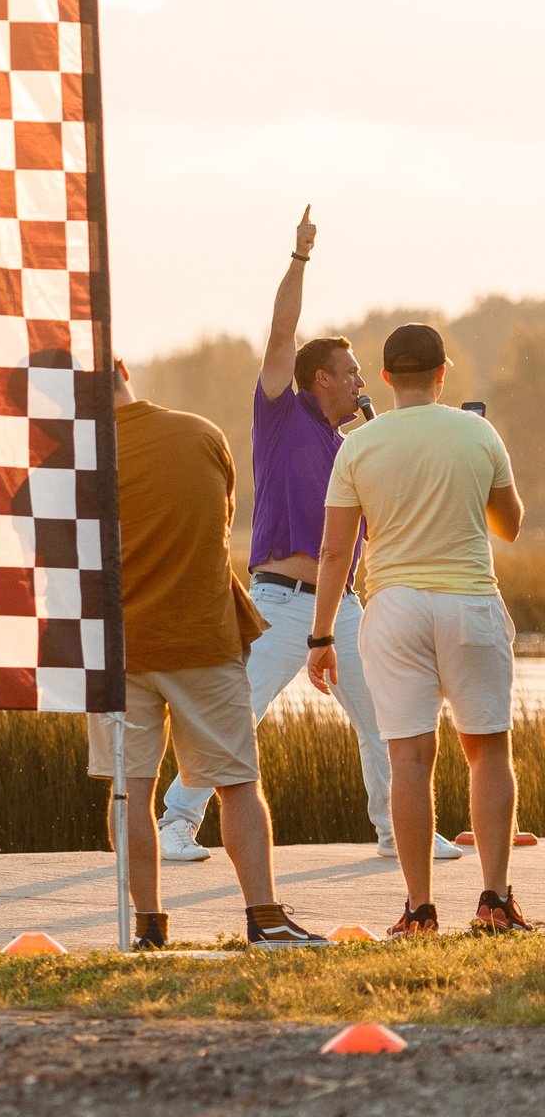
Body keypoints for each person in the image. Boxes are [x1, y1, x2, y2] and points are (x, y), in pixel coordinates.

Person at [155, 209, 460, 864]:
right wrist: (300, 257)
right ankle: (176, 822)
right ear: (319, 377)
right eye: (350, 373)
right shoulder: (281, 416)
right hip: (280, 602)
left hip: (340, 607)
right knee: (238, 713)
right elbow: (282, 331)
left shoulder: (351, 449)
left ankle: (394, 830)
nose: (359, 382)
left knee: (384, 715)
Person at [95, 358, 329, 947]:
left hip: (117, 652)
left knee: (131, 790)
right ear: (122, 368)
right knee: (237, 784)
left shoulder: (71, 462)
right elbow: (219, 523)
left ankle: (147, 927)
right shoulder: (201, 434)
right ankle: (265, 919)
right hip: (202, 637)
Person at [307, 324, 527, 936]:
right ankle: (494, 901)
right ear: (442, 372)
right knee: (488, 751)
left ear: (384, 378)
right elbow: (508, 526)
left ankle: (420, 909)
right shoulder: (478, 432)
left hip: (394, 608)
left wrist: (321, 637)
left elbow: (333, 553)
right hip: (469, 603)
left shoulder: (357, 446)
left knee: (409, 756)